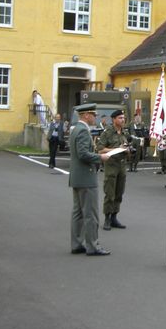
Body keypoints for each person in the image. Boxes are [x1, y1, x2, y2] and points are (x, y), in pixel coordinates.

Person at [69, 103, 110, 256]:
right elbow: (83, 154)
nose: (95, 117)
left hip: (78, 177)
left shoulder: (76, 129)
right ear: (86, 115)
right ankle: (92, 245)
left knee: (78, 213)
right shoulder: (83, 131)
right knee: (90, 214)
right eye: (93, 115)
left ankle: (77, 243)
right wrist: (101, 157)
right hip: (86, 177)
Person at [97, 110, 129, 231]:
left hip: (122, 165)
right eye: (120, 118)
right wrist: (116, 148)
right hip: (111, 165)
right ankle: (107, 218)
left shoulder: (124, 132)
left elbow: (125, 146)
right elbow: (100, 149)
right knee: (110, 193)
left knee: (119, 192)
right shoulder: (108, 132)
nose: (123, 120)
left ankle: (114, 217)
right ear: (114, 119)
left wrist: (127, 150)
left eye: (123, 118)